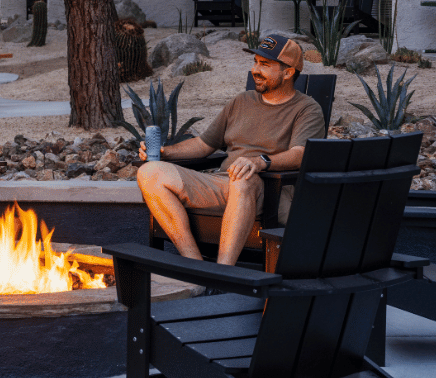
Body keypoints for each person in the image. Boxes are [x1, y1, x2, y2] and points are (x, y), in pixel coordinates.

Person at [137, 34, 324, 265]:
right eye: (255, 62)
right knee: (149, 172)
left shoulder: (307, 109)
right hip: (224, 184)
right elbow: (204, 144)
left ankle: (224, 271)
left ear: (288, 72)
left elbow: (300, 154)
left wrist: (259, 162)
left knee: (243, 177)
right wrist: (165, 153)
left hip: (269, 191)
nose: (255, 70)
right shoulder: (241, 101)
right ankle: (195, 266)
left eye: (265, 65)